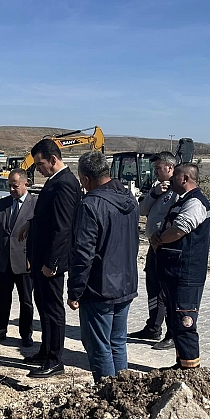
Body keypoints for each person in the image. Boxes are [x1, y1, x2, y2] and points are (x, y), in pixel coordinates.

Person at [67, 151, 139, 383]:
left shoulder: (90, 205)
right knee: (117, 342)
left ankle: (106, 392)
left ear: (86, 179)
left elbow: (83, 254)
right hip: (126, 284)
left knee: (99, 346)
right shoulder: (130, 199)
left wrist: (75, 291)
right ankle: (123, 390)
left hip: (99, 288)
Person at [24, 138, 82, 378]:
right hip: (41, 259)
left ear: (53, 159)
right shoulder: (54, 181)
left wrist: (53, 263)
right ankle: (45, 350)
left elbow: (62, 228)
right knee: (43, 304)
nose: (38, 169)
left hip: (51, 262)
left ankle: (55, 359)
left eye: (40, 164)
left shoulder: (65, 184)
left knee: (53, 309)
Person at [150, 163, 210, 369]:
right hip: (173, 271)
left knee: (185, 322)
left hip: (186, 273)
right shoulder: (182, 201)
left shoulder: (196, 202)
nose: (170, 179)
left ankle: (190, 370)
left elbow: (179, 230)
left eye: (175, 175)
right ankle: (182, 364)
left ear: (185, 178)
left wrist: (159, 240)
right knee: (176, 321)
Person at [128, 152, 177, 350]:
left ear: (170, 168)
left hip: (168, 247)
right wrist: (155, 193)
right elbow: (142, 210)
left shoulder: (178, 189)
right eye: (154, 168)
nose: (155, 171)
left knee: (168, 292)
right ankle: (153, 326)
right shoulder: (158, 187)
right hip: (153, 246)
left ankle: (172, 333)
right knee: (153, 287)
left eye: (158, 168)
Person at [0, 169, 37, 346]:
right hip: (4, 261)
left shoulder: (35, 204)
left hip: (25, 262)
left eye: (15, 186)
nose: (11, 189)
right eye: (9, 186)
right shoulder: (2, 204)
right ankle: (0, 331)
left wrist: (34, 259)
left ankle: (26, 334)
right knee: (2, 298)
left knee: (26, 301)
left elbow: (39, 236)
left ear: (26, 184)